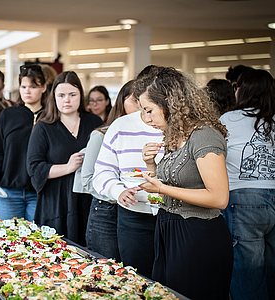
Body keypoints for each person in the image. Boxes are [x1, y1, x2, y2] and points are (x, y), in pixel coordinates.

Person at [137, 67, 233, 300]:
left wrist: (160, 187)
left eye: (149, 110)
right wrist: (151, 167)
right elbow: (167, 195)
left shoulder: (204, 136)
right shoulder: (175, 135)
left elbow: (219, 198)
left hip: (197, 235)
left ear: (169, 102)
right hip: (169, 229)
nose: (146, 118)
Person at [92, 73, 163, 277]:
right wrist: (117, 191)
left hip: (173, 216)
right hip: (133, 217)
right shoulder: (121, 126)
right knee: (137, 275)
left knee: (170, 280)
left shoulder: (177, 126)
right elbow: (103, 171)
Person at [27, 71, 103, 246]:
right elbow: (34, 168)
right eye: (61, 95)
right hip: (56, 202)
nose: (66, 100)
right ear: (54, 97)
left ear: (80, 96)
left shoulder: (94, 122)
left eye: (72, 95)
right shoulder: (44, 126)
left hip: (87, 201)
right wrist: (68, 167)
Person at [219, 69, 275, 300]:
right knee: (271, 270)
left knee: (247, 271)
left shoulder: (229, 118)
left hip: (244, 200)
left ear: (242, 90)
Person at [0, 65, 48, 221]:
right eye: (23, 86)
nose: (27, 91)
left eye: (33, 86)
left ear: (44, 87)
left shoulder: (51, 117)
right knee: (9, 241)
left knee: (36, 242)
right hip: (8, 192)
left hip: (39, 193)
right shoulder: (9, 114)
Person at [83, 80, 140, 261]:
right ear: (121, 101)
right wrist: (116, 192)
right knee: (107, 266)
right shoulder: (102, 134)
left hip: (137, 210)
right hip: (106, 210)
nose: (142, 106)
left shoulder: (154, 134)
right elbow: (88, 179)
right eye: (135, 100)